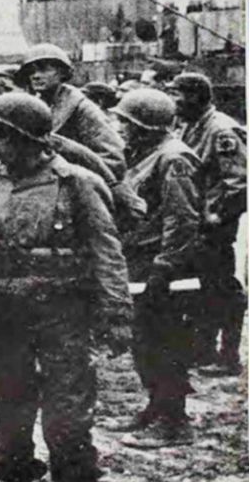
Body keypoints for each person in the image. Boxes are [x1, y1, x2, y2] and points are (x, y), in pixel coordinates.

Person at [0, 92, 132, 482]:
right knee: (8, 391)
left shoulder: (77, 182)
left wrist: (117, 315)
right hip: (2, 303)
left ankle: (73, 471)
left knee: (68, 399)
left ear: (30, 139)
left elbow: (107, 253)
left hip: (63, 307)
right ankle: (14, 467)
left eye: (1, 136)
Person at [106, 88, 203, 449]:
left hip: (166, 271)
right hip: (142, 264)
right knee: (145, 342)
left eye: (125, 122)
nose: (120, 127)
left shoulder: (174, 159)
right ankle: (156, 408)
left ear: (144, 125)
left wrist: (164, 269)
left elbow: (182, 221)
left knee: (165, 345)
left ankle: (174, 422)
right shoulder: (146, 155)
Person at [169, 72, 247, 374]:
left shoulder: (221, 131)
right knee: (204, 286)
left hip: (214, 224)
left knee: (222, 287)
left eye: (177, 94)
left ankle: (228, 357)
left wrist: (217, 216)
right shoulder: (190, 125)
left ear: (194, 96)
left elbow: (239, 182)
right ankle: (203, 350)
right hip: (196, 221)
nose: (173, 101)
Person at [17, 44, 125, 173]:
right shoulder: (35, 108)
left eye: (43, 69)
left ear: (62, 72)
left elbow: (113, 161)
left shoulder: (83, 109)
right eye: (31, 71)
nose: (36, 76)